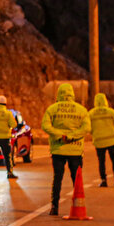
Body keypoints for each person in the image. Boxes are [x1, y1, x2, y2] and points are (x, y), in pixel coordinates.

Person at [41, 82, 90, 215]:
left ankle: (54, 207)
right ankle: (77, 206)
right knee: (77, 180)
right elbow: (86, 128)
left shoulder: (52, 109)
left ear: (58, 93)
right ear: (72, 94)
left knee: (57, 178)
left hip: (58, 149)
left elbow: (45, 126)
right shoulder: (81, 110)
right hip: (75, 150)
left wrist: (60, 136)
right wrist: (72, 136)